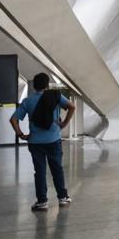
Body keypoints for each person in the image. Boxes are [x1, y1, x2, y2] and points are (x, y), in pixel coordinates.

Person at [9, 73, 75, 211]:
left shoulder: (28, 101)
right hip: (54, 140)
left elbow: (13, 119)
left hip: (35, 142)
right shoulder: (55, 96)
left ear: (34, 86)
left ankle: (42, 201)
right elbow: (72, 106)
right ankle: (63, 198)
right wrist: (64, 124)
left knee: (39, 171)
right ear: (47, 85)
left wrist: (21, 134)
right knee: (57, 169)